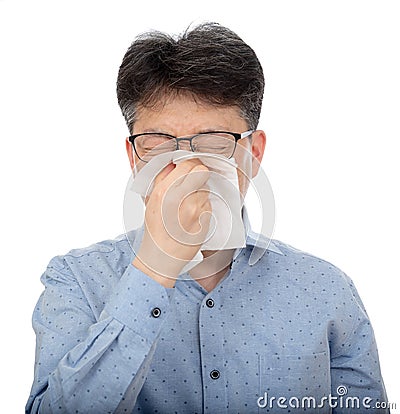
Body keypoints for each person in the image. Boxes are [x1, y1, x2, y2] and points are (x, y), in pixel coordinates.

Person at [26, 23, 389, 413]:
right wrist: (155, 266)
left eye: (215, 142)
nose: (188, 166)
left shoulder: (326, 291)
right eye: (160, 145)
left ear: (254, 154)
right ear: (134, 159)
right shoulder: (77, 281)